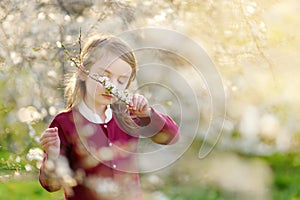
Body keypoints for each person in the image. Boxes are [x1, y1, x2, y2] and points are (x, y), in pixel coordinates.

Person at [39, 34, 179, 200]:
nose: (111, 86)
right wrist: (53, 156)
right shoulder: (64, 124)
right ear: (83, 73)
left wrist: (147, 114)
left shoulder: (127, 117)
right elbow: (51, 185)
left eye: (121, 80)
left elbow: (171, 137)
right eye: (105, 76)